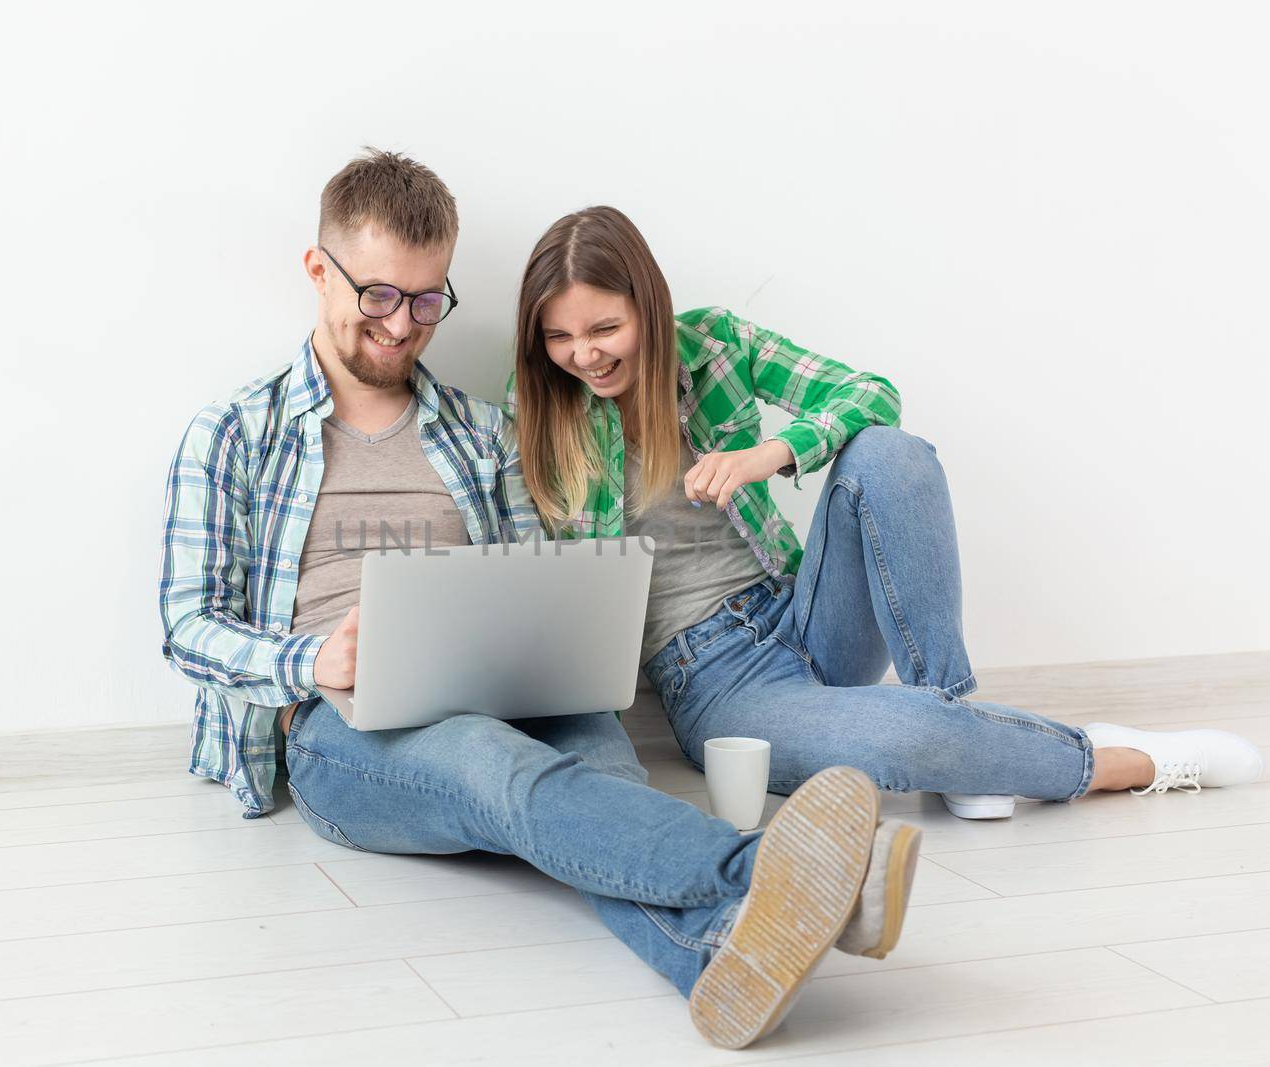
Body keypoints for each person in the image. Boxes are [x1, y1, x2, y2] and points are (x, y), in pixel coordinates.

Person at [158, 149, 921, 1050]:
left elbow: (533, 569)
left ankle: (719, 959)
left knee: (595, 783)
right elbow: (184, 626)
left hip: (506, 684)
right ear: (319, 269)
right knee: (495, 765)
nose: (403, 325)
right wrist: (310, 658)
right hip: (339, 726)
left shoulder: (484, 431)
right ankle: (792, 877)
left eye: (428, 299)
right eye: (378, 295)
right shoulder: (234, 432)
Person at [507, 205, 1264, 819]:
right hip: (715, 681)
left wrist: (768, 455)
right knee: (907, 739)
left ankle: (957, 718)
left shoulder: (716, 344)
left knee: (890, 452)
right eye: (561, 337)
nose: (585, 355)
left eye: (605, 328)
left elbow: (870, 393)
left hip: (801, 609)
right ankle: (1125, 761)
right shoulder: (539, 412)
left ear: (652, 307)